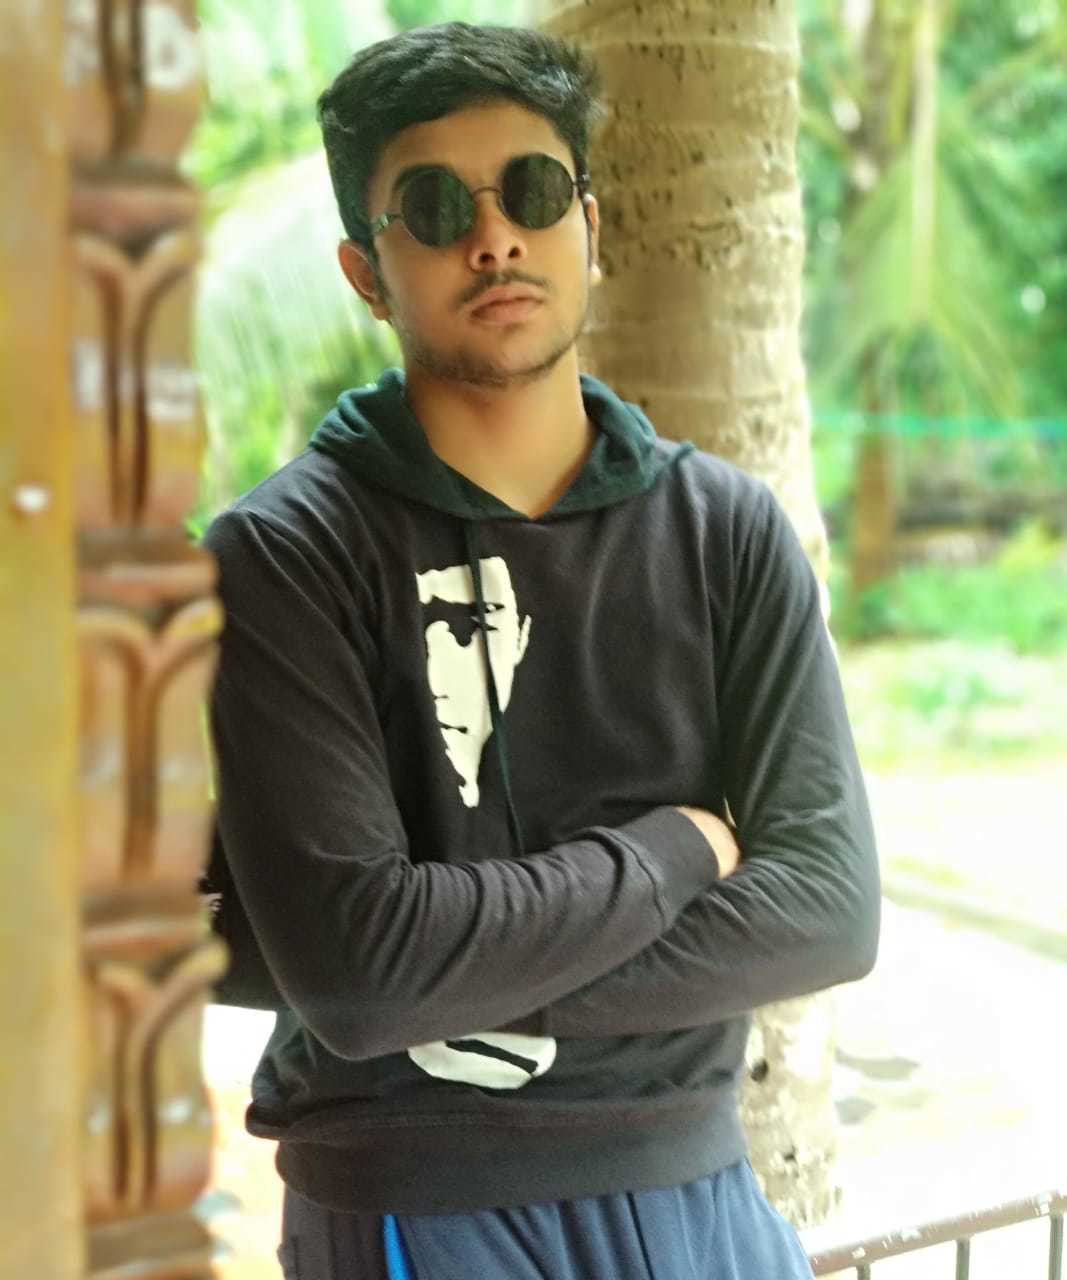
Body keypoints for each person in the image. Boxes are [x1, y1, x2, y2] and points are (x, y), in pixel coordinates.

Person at [201, 21, 880, 1280]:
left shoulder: (724, 533)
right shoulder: (286, 555)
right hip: (424, 1197)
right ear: (365, 271)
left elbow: (827, 914)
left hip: (698, 1187)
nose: (494, 237)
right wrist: (676, 848)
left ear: (589, 227)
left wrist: (440, 969)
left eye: (530, 191)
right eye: (432, 205)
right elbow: (357, 976)